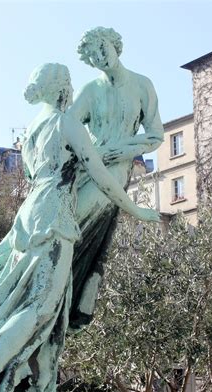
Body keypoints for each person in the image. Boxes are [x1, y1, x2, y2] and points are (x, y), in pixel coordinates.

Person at [0, 63, 160, 392]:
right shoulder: (68, 124)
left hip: (30, 215)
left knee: (52, 310)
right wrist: (137, 210)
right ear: (63, 87)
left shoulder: (34, 127)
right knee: (40, 309)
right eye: (68, 82)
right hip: (55, 220)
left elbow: (38, 176)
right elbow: (101, 176)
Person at [68, 27, 164, 330]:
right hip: (88, 168)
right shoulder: (90, 91)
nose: (100, 56)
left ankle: (63, 287)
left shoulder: (141, 85)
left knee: (76, 225)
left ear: (115, 45)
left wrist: (121, 150)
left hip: (116, 170)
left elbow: (156, 136)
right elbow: (66, 129)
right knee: (63, 222)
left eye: (103, 48)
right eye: (93, 54)